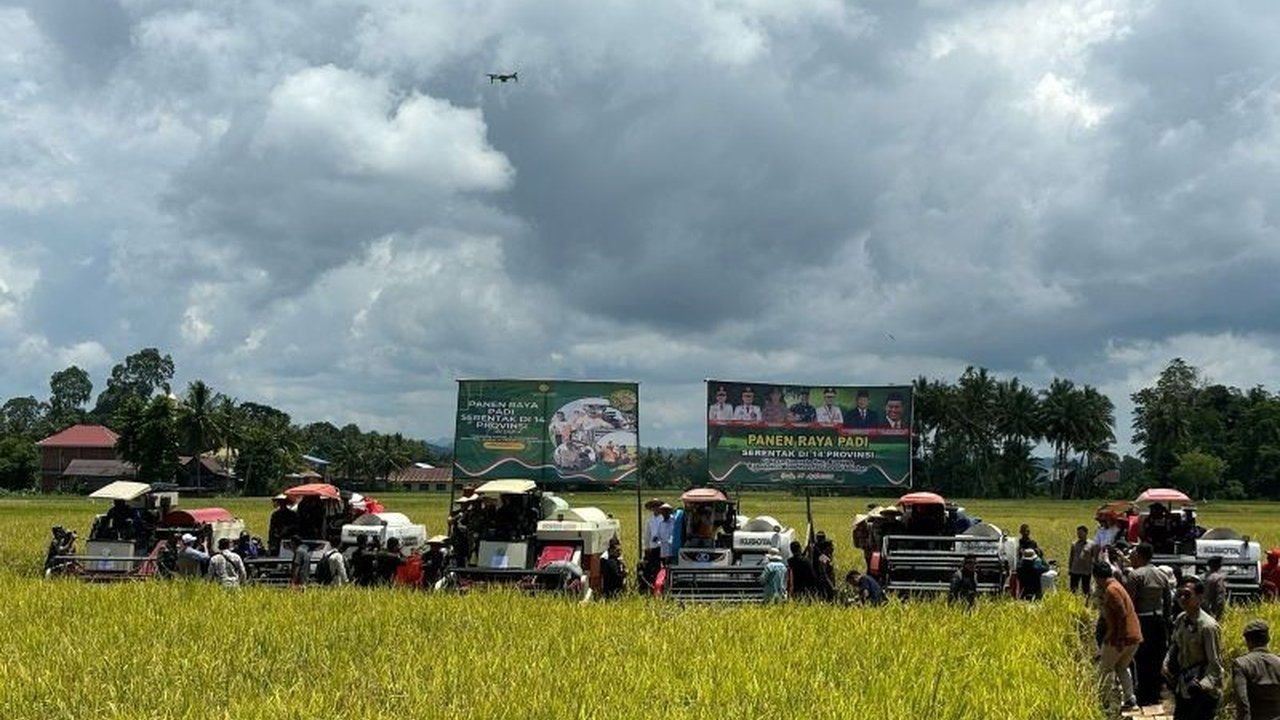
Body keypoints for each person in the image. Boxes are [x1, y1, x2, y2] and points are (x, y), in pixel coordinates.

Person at [1164, 576, 1224, 720]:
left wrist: (1202, 686)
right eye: (1180, 595)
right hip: (1183, 685)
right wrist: (1166, 664)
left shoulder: (1208, 626)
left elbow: (1215, 664)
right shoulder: (1181, 619)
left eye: (1187, 595)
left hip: (1201, 689)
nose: (1183, 598)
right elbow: (1175, 645)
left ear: (1199, 596)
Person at [1126, 543, 1172, 707]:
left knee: (1142, 658)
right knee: (1157, 657)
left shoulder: (1135, 575)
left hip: (1142, 620)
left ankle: (1143, 693)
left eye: (1133, 555)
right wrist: (1167, 622)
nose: (1130, 558)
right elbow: (1168, 602)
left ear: (1139, 555)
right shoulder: (1161, 575)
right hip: (1158, 620)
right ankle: (1156, 692)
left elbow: (1130, 603)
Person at [1096, 560, 1142, 717]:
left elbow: (1121, 614)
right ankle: (1130, 699)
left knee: (1104, 669)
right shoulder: (1117, 585)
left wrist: (1120, 638)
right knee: (1122, 667)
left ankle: (1104, 703)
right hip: (1134, 636)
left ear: (1097, 578)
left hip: (1121, 637)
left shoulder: (1111, 590)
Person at [1233, 619, 1280, 720]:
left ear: (1247, 641)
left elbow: (1242, 703)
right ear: (1268, 639)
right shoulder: (1278, 662)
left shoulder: (1241, 664)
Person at [1068, 525, 1096, 595]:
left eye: (1080, 533)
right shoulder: (1074, 544)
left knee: (1086, 589)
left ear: (1086, 533)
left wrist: (1093, 569)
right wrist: (1070, 568)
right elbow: (1071, 557)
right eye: (1078, 533)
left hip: (1086, 570)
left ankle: (1086, 603)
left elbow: (1094, 557)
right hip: (1075, 570)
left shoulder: (1092, 544)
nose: (1079, 535)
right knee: (1073, 589)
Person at [1204, 556, 1229, 621]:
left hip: (1202, 610)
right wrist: (1219, 615)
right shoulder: (1218, 579)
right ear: (1220, 565)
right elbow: (1220, 600)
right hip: (1212, 611)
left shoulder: (1202, 577)